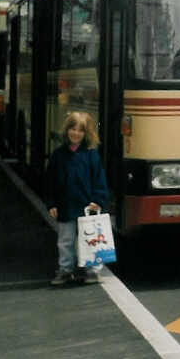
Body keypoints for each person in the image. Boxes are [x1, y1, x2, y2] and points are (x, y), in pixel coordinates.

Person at [44, 111, 109, 286]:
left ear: (86, 133)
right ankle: (65, 270)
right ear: (66, 131)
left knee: (90, 240)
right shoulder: (58, 155)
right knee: (65, 241)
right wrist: (51, 203)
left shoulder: (91, 155)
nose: (76, 133)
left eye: (80, 130)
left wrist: (99, 200)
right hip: (65, 206)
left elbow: (99, 180)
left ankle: (93, 271)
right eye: (72, 129)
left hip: (88, 206)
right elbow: (50, 182)